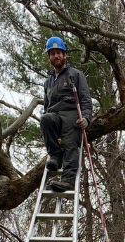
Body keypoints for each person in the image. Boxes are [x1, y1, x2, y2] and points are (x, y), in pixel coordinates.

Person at [40, 36, 93, 193]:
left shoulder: (76, 75)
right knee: (45, 119)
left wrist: (87, 118)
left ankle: (68, 179)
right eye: (52, 53)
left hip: (71, 113)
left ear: (65, 55)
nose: (56, 56)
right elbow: (46, 106)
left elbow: (86, 100)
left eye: (59, 53)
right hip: (54, 115)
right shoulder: (48, 82)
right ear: (49, 57)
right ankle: (55, 157)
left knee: (70, 139)